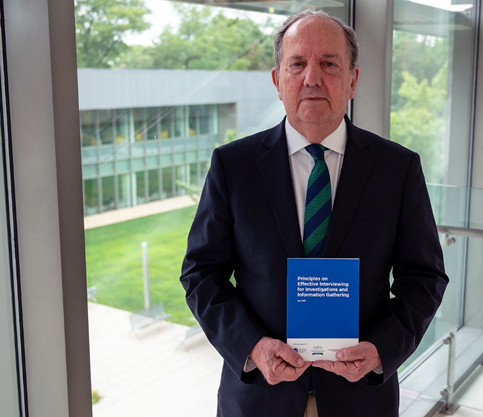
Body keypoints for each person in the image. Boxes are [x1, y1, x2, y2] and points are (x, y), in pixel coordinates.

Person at [180, 9, 448, 417]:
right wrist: (252, 347)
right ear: (277, 80)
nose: (312, 78)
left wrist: (381, 350)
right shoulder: (233, 167)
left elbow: (424, 277)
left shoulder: (398, 169)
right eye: (298, 64)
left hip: (360, 400)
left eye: (328, 64)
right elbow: (201, 273)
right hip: (257, 399)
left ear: (352, 79)